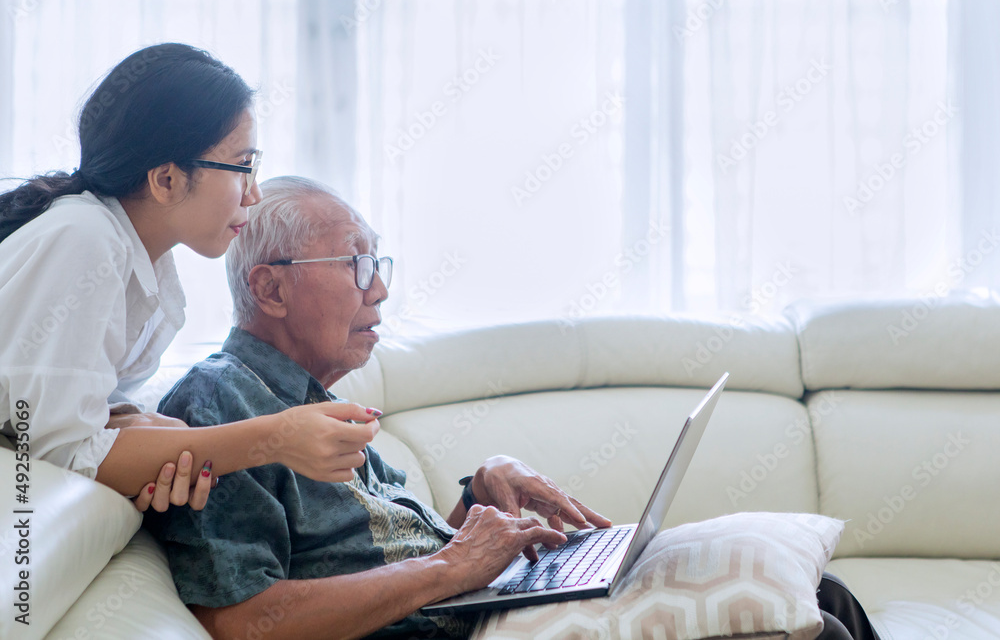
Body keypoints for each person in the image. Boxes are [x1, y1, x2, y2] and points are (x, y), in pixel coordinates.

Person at [146, 176, 879, 640]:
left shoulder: (313, 402)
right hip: (466, 627)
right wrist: (456, 567)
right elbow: (243, 620)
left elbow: (392, 551)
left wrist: (474, 499)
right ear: (271, 290)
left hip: (476, 607)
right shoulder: (222, 405)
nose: (379, 288)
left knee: (818, 590)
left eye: (380, 262)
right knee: (812, 625)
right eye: (355, 262)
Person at [0, 44, 379, 513]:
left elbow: (77, 423)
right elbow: (62, 454)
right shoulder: (85, 238)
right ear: (166, 181)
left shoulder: (143, 265)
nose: (255, 193)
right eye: (243, 167)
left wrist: (163, 438)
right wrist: (277, 438)